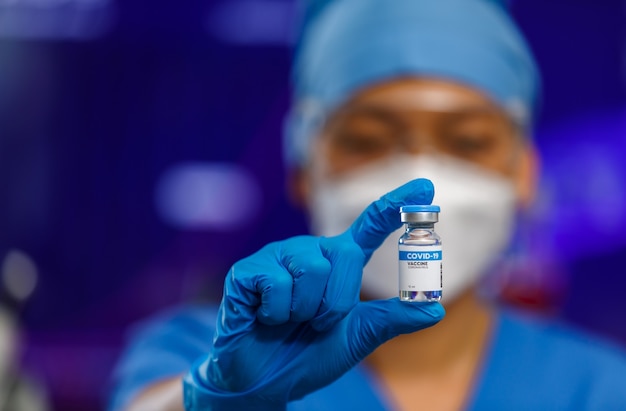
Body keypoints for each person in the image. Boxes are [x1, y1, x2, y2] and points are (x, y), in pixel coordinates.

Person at [108, 0, 626, 410]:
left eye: (467, 142)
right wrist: (212, 398)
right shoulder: (198, 349)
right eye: (368, 139)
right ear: (303, 167)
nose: (421, 179)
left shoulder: (599, 390)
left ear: (525, 172)